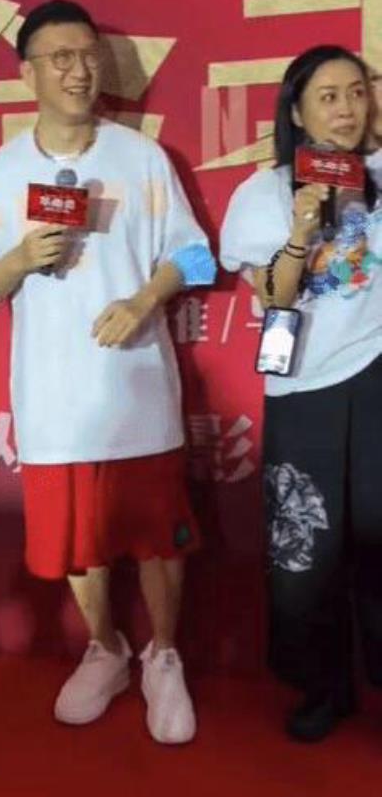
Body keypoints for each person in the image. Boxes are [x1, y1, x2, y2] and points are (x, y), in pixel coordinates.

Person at [0, 0, 215, 743]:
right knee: (76, 543)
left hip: (137, 385)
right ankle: (107, 649)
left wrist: (142, 300)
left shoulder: (141, 156)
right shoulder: (1, 172)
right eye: (60, 57)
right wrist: (19, 258)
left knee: (159, 537)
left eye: (88, 55)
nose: (78, 70)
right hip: (53, 396)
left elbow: (193, 253)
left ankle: (165, 656)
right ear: (27, 74)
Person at [220, 44, 382, 741]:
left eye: (357, 93)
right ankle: (322, 686)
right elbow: (274, 296)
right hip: (304, 384)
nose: (346, 109)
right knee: (304, 546)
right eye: (328, 96)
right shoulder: (261, 194)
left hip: (377, 373)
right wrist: (300, 232)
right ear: (295, 111)